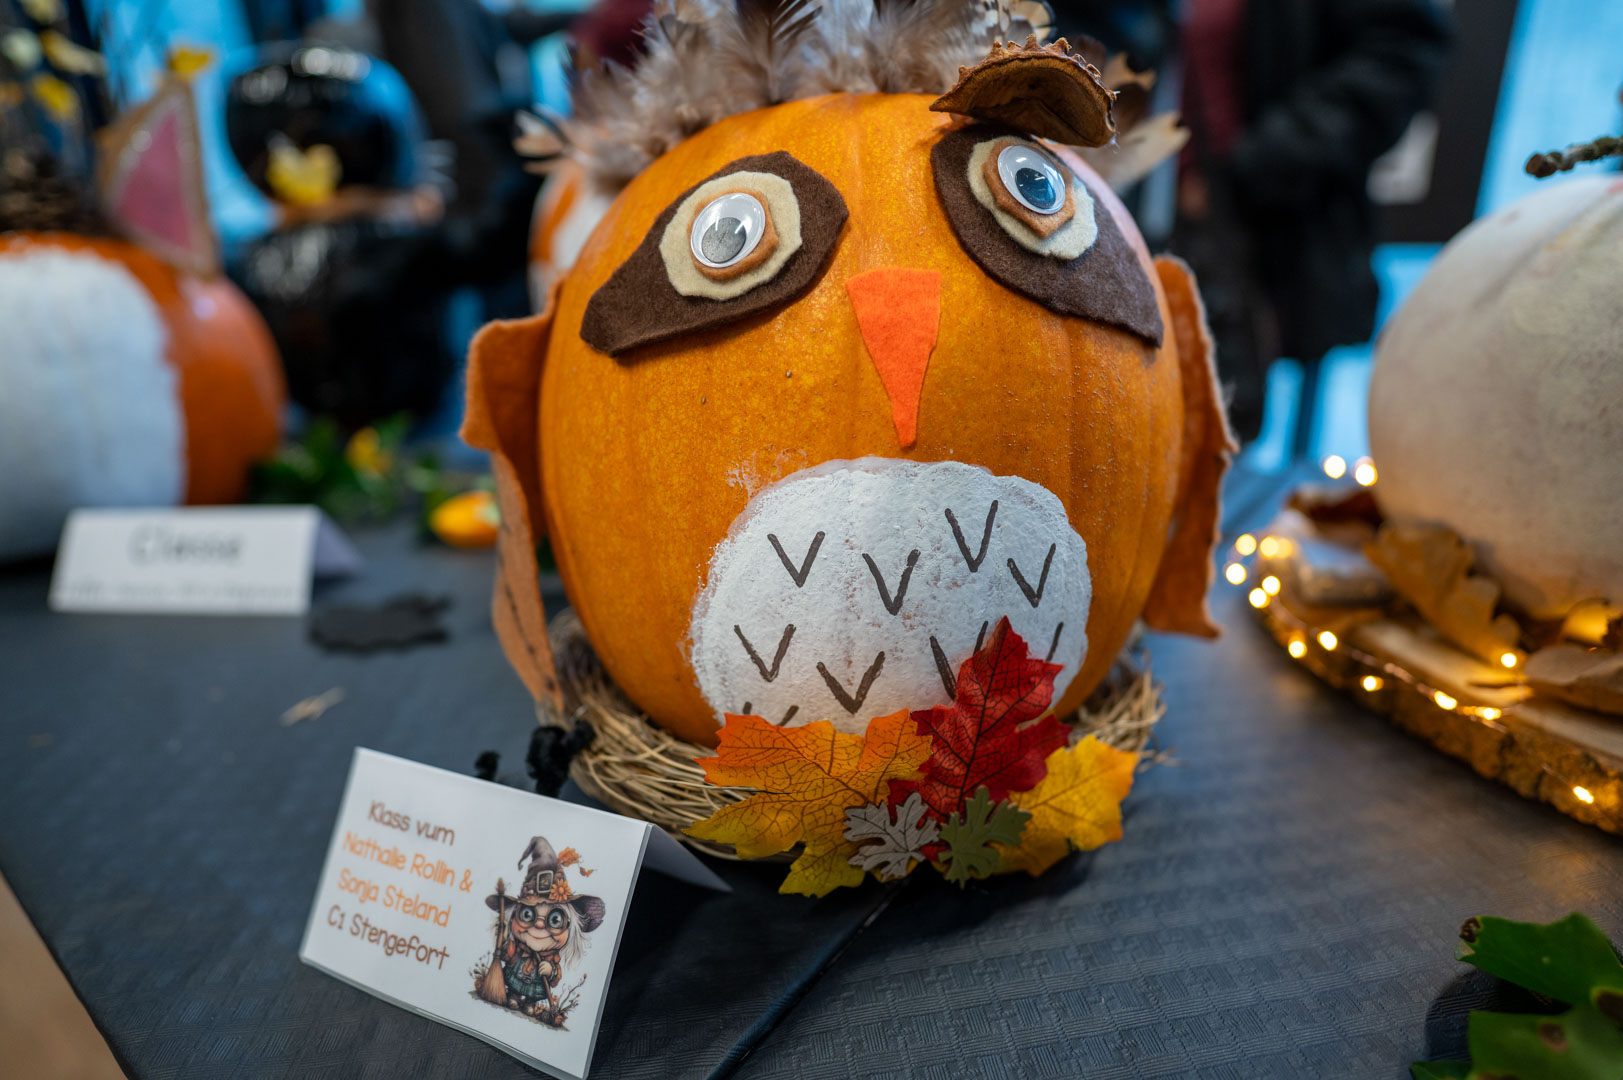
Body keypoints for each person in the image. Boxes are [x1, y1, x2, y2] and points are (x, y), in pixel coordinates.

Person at [1173, 0, 1451, 446]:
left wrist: (1259, 162)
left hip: (1276, 236)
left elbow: (1402, 54)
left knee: (1234, 428)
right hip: (1159, 220)